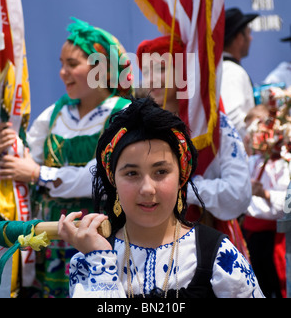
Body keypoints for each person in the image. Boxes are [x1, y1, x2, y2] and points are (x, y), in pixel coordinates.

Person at [58, 97, 264, 298]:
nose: (147, 188)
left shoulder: (219, 254)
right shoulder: (90, 258)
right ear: (113, 181)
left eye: (161, 172)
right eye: (132, 174)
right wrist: (99, 262)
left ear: (181, 177)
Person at [0, 17, 133, 298]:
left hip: (101, 235)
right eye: (61, 63)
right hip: (52, 237)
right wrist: (0, 149)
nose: (62, 72)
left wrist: (37, 174)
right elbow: (24, 157)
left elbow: (101, 176)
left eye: (72, 64)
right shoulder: (55, 113)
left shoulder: (123, 113)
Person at [136, 36, 251, 235]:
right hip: (146, 240)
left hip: (206, 238)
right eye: (146, 71)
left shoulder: (215, 126)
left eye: (162, 69)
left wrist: (178, 188)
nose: (152, 79)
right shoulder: (134, 123)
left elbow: (239, 193)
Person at [242, 99, 290, 298]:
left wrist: (266, 194)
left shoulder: (285, 164)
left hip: (272, 235)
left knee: (275, 284)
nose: (252, 136)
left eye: (258, 130)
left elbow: (287, 203)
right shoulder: (253, 160)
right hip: (249, 231)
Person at [221, 7, 258, 140]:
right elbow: (231, 117)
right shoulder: (231, 71)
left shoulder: (226, 69)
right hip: (238, 154)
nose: (251, 38)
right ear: (239, 37)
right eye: (248, 33)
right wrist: (255, 142)